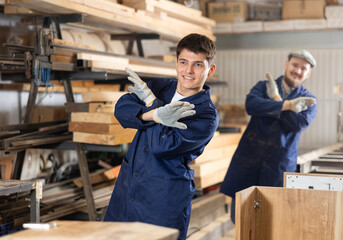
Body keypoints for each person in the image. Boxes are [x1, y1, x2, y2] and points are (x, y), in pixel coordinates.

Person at [104, 33, 219, 240]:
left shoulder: (206, 115)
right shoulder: (160, 87)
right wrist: (154, 113)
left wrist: (151, 104)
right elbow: (122, 110)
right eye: (183, 62)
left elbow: (163, 145)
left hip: (163, 199)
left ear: (210, 70)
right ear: (176, 63)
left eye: (198, 65)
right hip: (129, 188)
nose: (188, 71)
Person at [220, 50, 318, 223]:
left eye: (304, 68)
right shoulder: (264, 86)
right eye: (295, 65)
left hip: (278, 167)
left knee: (271, 221)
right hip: (248, 161)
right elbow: (251, 105)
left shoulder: (309, 100)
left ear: (308, 74)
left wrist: (275, 99)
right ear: (286, 64)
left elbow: (298, 124)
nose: (298, 71)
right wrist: (288, 105)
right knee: (240, 219)